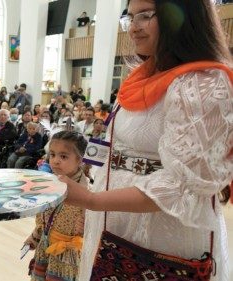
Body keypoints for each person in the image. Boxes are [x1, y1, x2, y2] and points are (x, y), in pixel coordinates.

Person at [59, 0, 233, 279]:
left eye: (145, 16)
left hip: (160, 230)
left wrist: (91, 200)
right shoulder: (144, 75)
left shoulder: (202, 83)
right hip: (115, 216)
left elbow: (182, 186)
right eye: (129, 17)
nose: (133, 27)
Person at [25, 131, 89, 280]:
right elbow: (44, 219)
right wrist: (34, 237)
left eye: (63, 156)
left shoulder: (86, 193)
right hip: (45, 248)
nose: (55, 161)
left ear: (80, 160)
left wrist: (86, 228)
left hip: (66, 258)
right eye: (52, 155)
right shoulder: (48, 184)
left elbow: (91, 230)